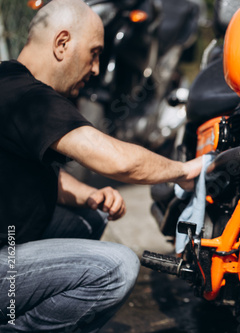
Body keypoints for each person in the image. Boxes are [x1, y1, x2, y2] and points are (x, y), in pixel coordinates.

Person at [0, 0, 203, 331]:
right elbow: (118, 161)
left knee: (91, 215)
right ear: (62, 43)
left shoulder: (12, 85)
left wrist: (88, 195)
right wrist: (184, 171)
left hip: (10, 237)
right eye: (94, 53)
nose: (95, 68)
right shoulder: (25, 95)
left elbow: (30, 174)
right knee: (117, 266)